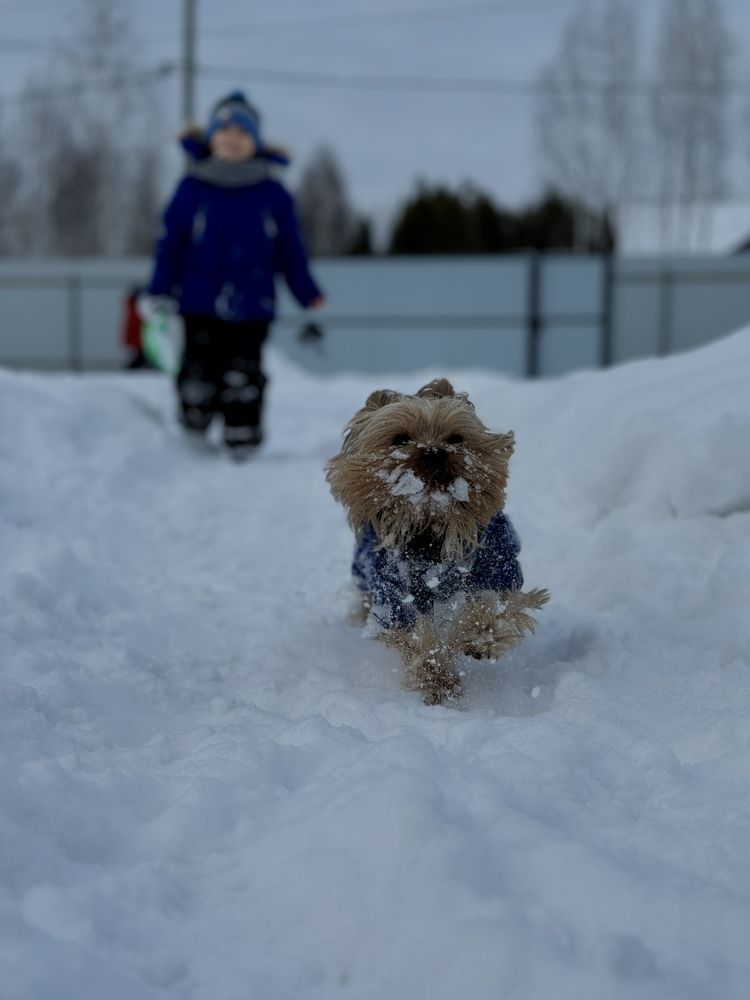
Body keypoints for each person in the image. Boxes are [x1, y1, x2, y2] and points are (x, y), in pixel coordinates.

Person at [145, 90, 324, 456]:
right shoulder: (193, 186)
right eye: (223, 132)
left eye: (241, 133)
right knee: (199, 370)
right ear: (211, 139)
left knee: (244, 373)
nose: (231, 139)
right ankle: (192, 427)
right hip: (198, 301)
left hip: (253, 303)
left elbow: (290, 246)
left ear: (255, 142)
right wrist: (160, 290)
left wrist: (306, 290)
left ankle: (242, 435)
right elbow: (170, 242)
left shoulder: (271, 192)